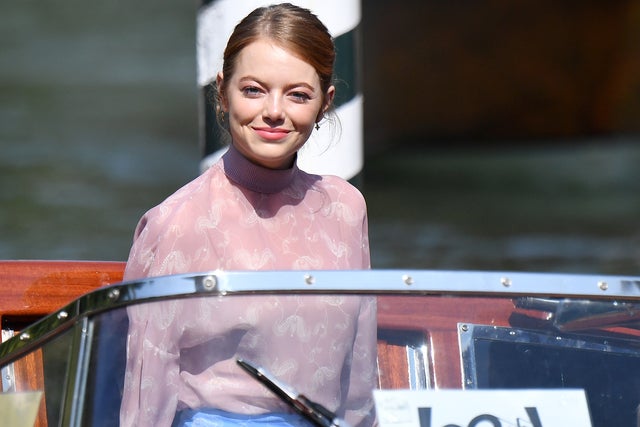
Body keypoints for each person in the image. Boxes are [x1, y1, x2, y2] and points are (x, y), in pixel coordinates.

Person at [119, 3, 377, 427]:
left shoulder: (347, 208)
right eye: (254, 90)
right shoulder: (177, 222)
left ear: (326, 103)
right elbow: (143, 392)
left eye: (297, 94)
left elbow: (360, 377)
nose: (274, 111)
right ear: (222, 91)